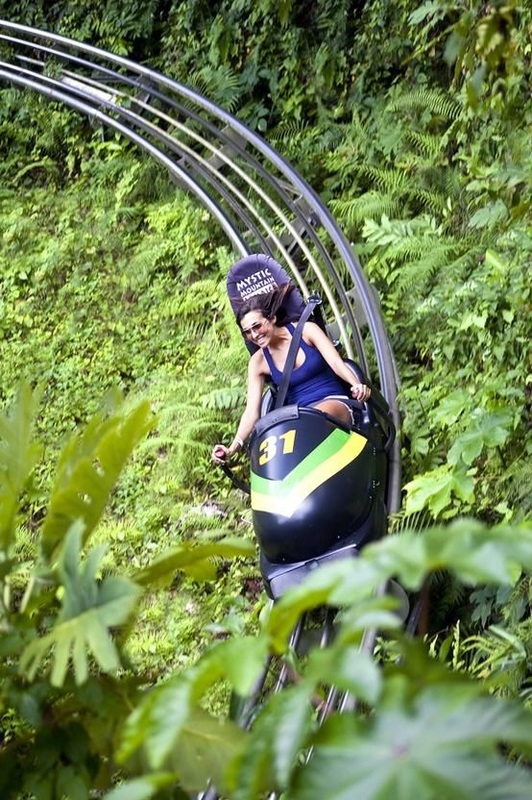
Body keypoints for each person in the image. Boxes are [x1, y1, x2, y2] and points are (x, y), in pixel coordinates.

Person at [212, 283, 371, 464]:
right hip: (296, 419)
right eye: (247, 332)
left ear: (271, 318)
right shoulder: (258, 362)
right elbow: (251, 411)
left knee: (311, 423)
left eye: (256, 326)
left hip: (332, 404)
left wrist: (356, 384)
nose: (254, 335)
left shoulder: (306, 331)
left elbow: (336, 362)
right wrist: (232, 448)